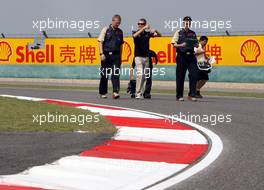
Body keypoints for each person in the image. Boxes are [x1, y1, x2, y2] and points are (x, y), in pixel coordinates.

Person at [171, 16, 199, 102]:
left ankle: (192, 95)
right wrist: (181, 45)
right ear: (183, 23)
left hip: (191, 56)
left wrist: (196, 45)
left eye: (189, 22)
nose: (188, 23)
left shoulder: (193, 33)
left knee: (194, 75)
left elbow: (197, 44)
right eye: (186, 22)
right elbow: (173, 44)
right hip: (181, 56)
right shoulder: (178, 32)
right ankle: (179, 96)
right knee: (180, 76)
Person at [132, 18, 161, 99]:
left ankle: (140, 91)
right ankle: (137, 93)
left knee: (144, 76)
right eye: (139, 24)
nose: (140, 25)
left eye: (142, 24)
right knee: (140, 74)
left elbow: (159, 35)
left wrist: (156, 30)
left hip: (146, 57)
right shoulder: (135, 32)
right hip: (138, 57)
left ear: (145, 24)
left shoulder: (147, 34)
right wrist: (144, 28)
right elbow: (134, 36)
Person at [98, 14, 124, 99]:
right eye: (116, 23)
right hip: (106, 55)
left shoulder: (120, 32)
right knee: (105, 74)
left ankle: (115, 92)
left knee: (116, 74)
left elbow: (121, 45)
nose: (118, 24)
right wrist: (101, 54)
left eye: (119, 23)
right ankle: (103, 92)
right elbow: (100, 42)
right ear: (112, 21)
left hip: (116, 56)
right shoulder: (106, 30)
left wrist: (120, 56)